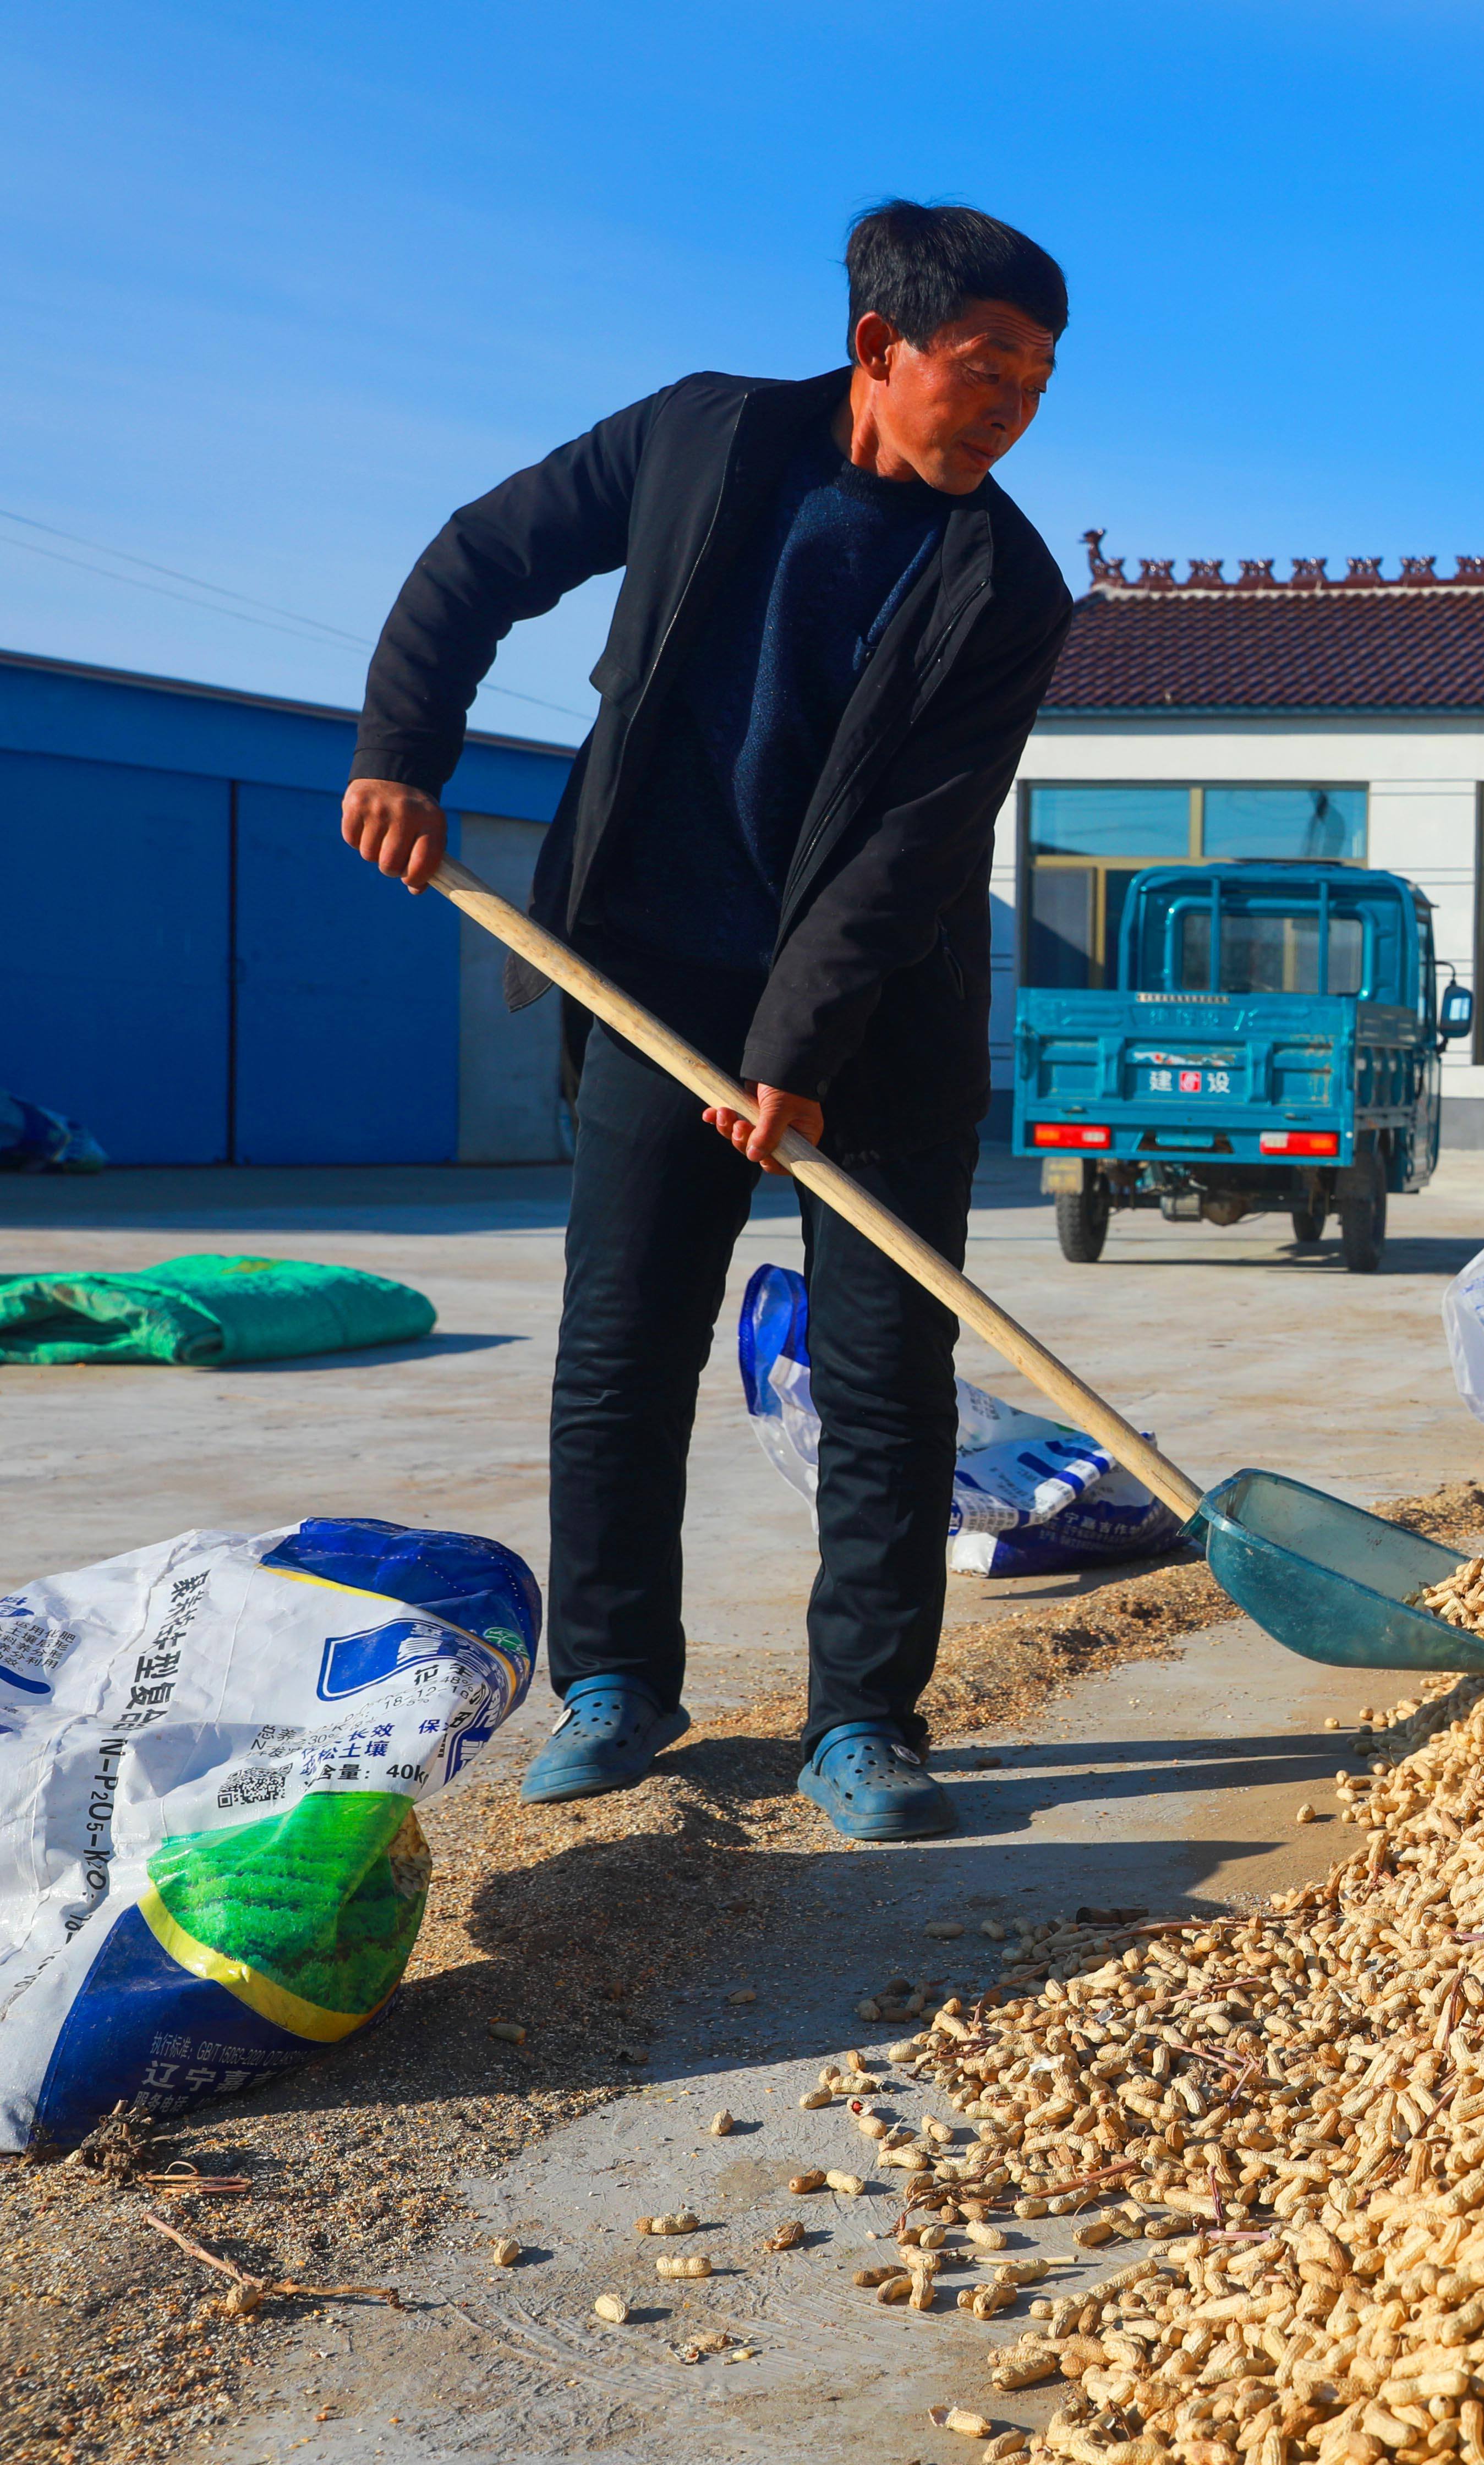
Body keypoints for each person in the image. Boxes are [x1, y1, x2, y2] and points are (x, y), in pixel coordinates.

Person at [340, 201, 1075, 1840]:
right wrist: (405, 745)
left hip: (874, 1022)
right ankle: (617, 1680)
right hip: (651, 974)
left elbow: (912, 852)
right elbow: (485, 554)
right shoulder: (704, 440)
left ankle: (867, 1722)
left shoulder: (1006, 584)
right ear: (880, 349)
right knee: (622, 1351)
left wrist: (795, 1057)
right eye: (986, 369)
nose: (1016, 406)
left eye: (1040, 378)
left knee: (889, 1378)